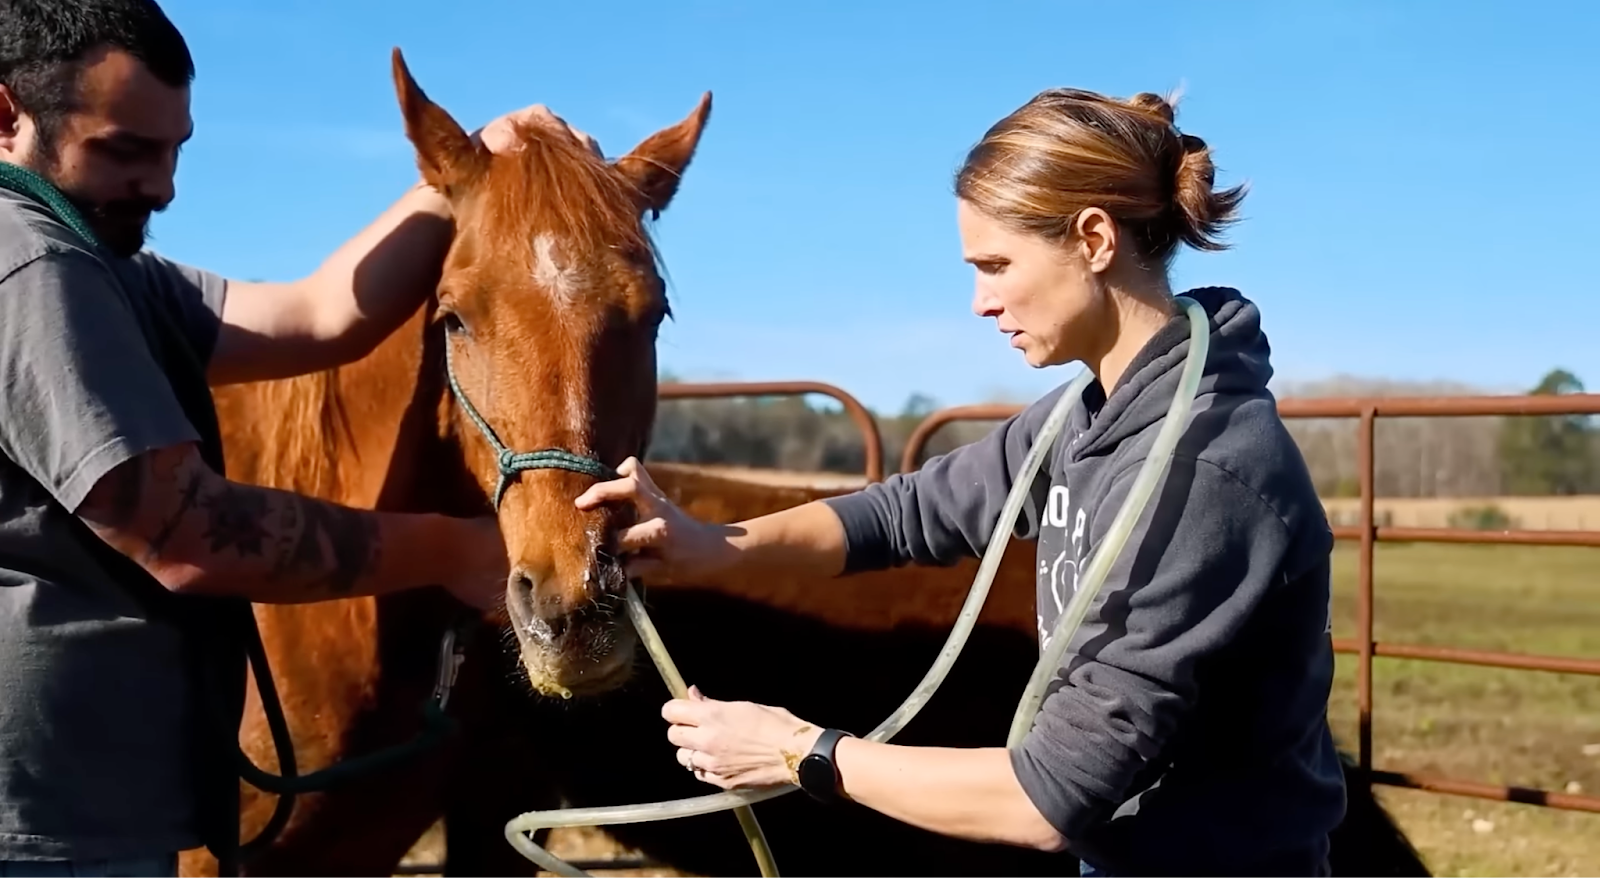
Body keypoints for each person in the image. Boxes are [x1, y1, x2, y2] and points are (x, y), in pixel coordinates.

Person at [574, 87, 1348, 877]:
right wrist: (717, 546)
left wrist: (796, 750)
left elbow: (1047, 798)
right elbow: (909, 512)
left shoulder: (1200, 471)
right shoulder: (1087, 415)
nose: (980, 302)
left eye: (997, 265)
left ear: (1092, 239)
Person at [0, 1, 592, 875]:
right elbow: (185, 535)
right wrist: (452, 549)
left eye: (174, 150)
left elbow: (318, 316)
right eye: (125, 150)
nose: (163, 186)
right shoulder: (31, 264)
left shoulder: (107, 268)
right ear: (6, 115)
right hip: (39, 821)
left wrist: (463, 168)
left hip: (82, 801)